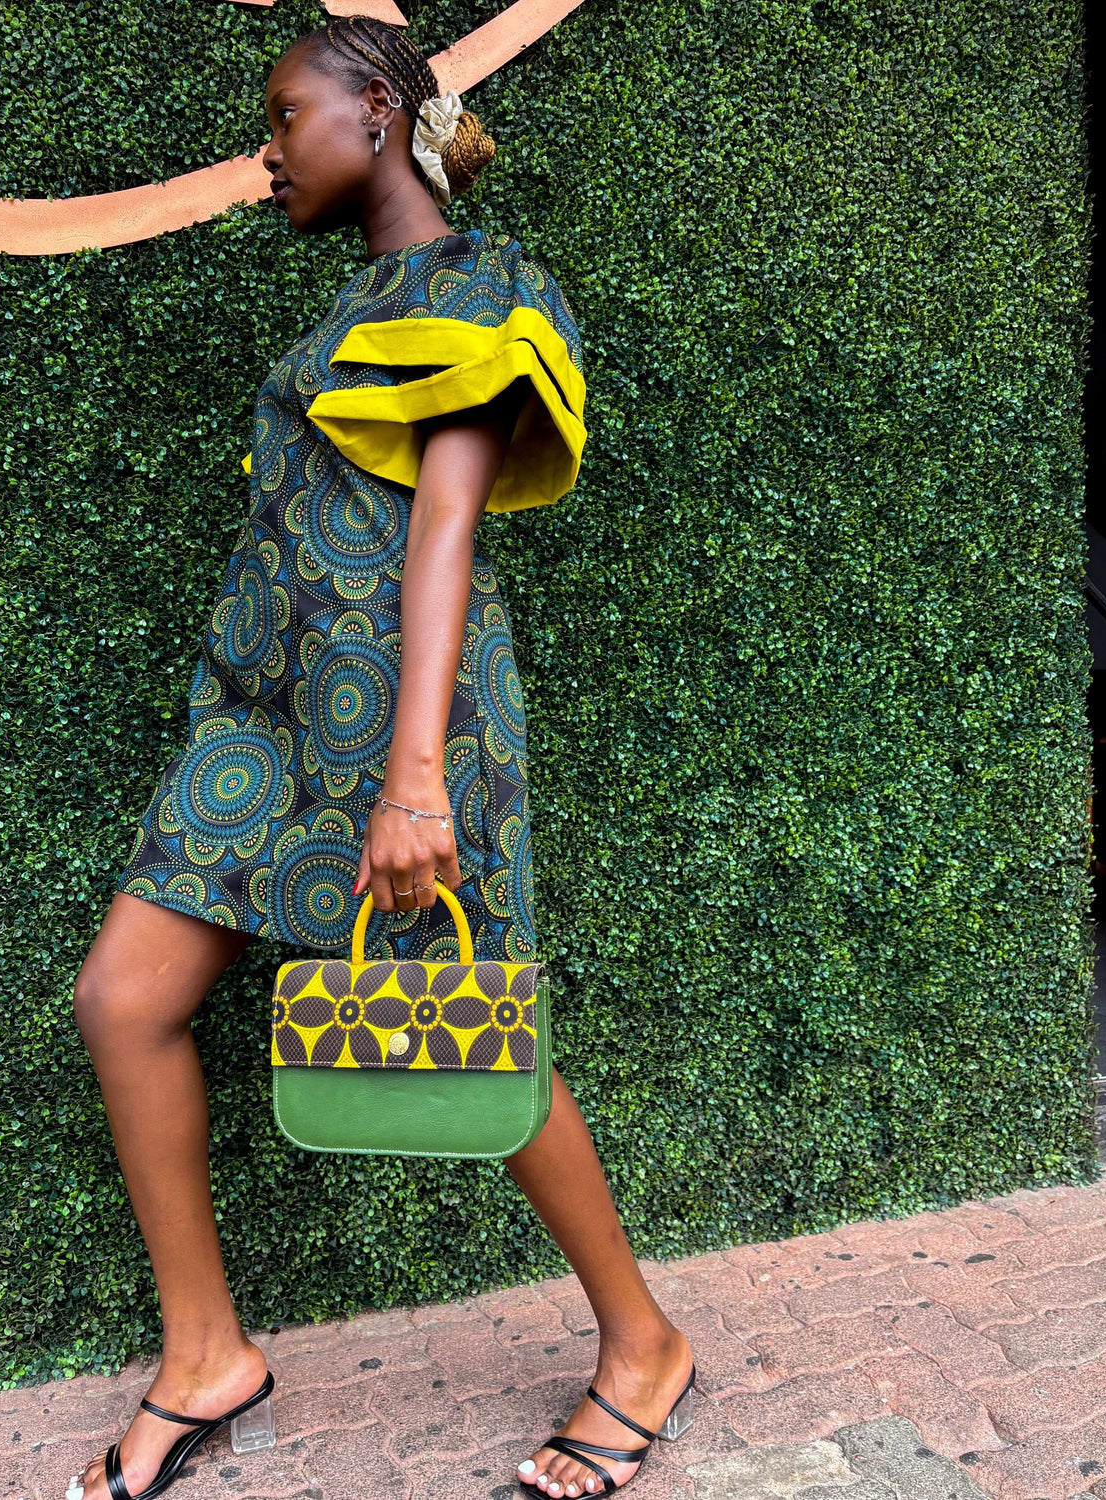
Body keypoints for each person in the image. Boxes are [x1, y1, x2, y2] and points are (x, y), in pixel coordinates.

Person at [67, 16, 697, 1500]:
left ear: (374, 106)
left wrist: (416, 779)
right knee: (124, 999)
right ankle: (204, 1355)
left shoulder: (478, 285)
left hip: (399, 727)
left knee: (466, 1019)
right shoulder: (355, 299)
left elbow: (446, 530)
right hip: (261, 720)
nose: (266, 153)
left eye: (284, 117)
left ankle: (644, 1344)